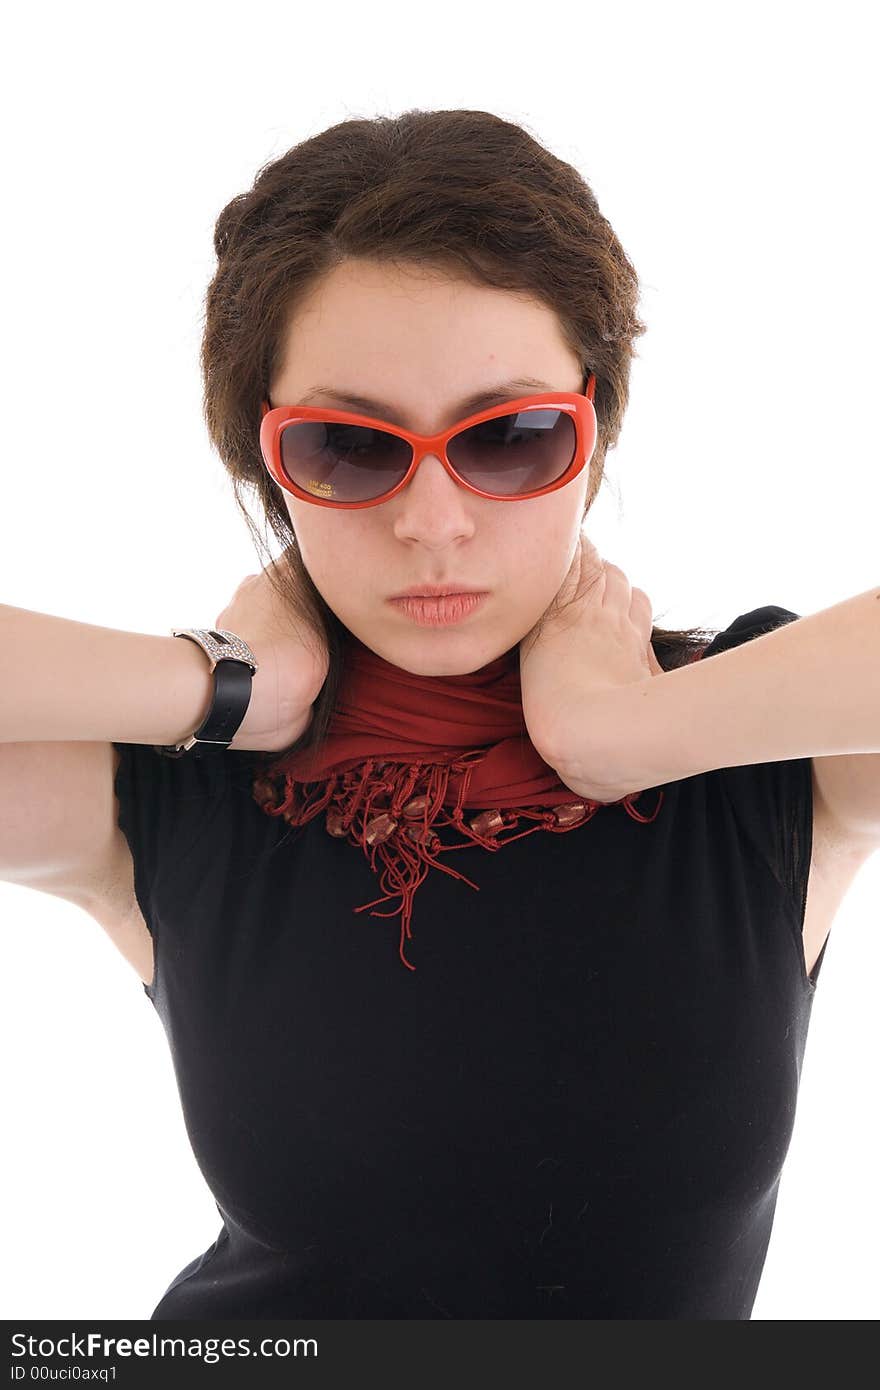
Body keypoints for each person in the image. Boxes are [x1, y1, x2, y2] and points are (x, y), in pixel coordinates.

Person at [0, 109, 868, 1320]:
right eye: (349, 449)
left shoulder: (766, 749)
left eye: (507, 439)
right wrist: (229, 684)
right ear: (267, 468)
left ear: (594, 429)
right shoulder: (167, 787)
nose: (434, 525)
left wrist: (621, 736)